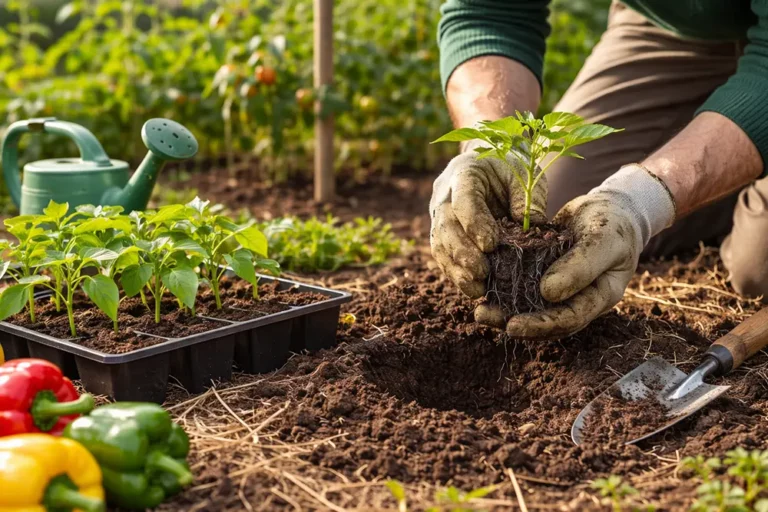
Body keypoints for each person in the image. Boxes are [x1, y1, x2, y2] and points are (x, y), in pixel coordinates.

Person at [430, 0, 768, 340]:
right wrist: (489, 143)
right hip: (678, 28)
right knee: (567, 222)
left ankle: (744, 170)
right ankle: (731, 171)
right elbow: (489, 12)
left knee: (758, 268)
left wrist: (640, 202)